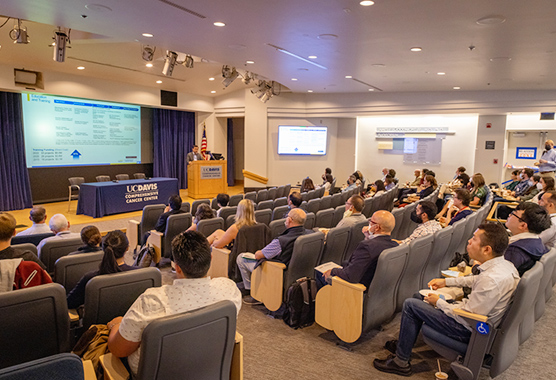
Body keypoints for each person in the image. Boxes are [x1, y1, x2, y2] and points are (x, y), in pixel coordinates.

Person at [374, 223, 519, 376]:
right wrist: (446, 282)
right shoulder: (505, 266)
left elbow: (467, 318)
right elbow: (476, 280)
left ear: (486, 249)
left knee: (411, 305)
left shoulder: (490, 279)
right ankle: (403, 344)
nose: (469, 241)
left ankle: (400, 362)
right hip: (476, 319)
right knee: (419, 297)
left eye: (474, 239)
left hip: (471, 331)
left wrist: (439, 303)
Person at [107, 231, 241, 376]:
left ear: (177, 267)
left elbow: (118, 350)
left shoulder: (152, 301)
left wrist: (115, 325)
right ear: (211, 258)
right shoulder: (228, 289)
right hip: (207, 370)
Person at [236, 208, 307, 304]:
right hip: (298, 272)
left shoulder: (281, 241)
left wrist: (258, 251)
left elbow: (259, 256)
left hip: (275, 271)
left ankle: (252, 291)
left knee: (241, 257)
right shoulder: (309, 235)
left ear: (289, 220)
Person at [319, 211, 398, 288]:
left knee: (320, 273)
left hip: (356, 289)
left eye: (371, 221)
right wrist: (368, 237)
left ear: (376, 227)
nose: (369, 223)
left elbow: (351, 276)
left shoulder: (366, 246)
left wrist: (333, 271)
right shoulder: (395, 245)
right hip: (376, 288)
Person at [67, 230, 138, 309]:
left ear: (103, 248)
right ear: (127, 248)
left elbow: (69, 303)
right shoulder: (140, 274)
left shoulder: (90, 279)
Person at [505, 202, 550, 276]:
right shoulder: (537, 241)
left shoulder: (515, 251)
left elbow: (497, 277)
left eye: (513, 214)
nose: (509, 215)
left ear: (523, 225)